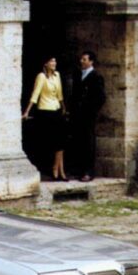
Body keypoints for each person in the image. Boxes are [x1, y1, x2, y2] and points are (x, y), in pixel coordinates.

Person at [22, 57, 67, 181]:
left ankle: (59, 169)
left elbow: (60, 95)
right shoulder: (41, 76)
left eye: (55, 61)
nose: (54, 63)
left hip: (57, 110)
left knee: (61, 140)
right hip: (45, 111)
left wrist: (64, 107)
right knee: (54, 141)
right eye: (51, 61)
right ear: (45, 63)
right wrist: (27, 111)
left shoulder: (57, 75)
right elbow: (35, 94)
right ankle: (57, 169)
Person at [70, 51, 105, 182]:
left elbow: (101, 97)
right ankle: (79, 170)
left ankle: (88, 172)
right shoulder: (78, 75)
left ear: (91, 62)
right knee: (79, 141)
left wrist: (91, 111)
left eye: (84, 59)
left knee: (88, 143)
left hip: (88, 115)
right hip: (77, 114)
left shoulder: (96, 77)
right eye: (81, 59)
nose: (81, 61)